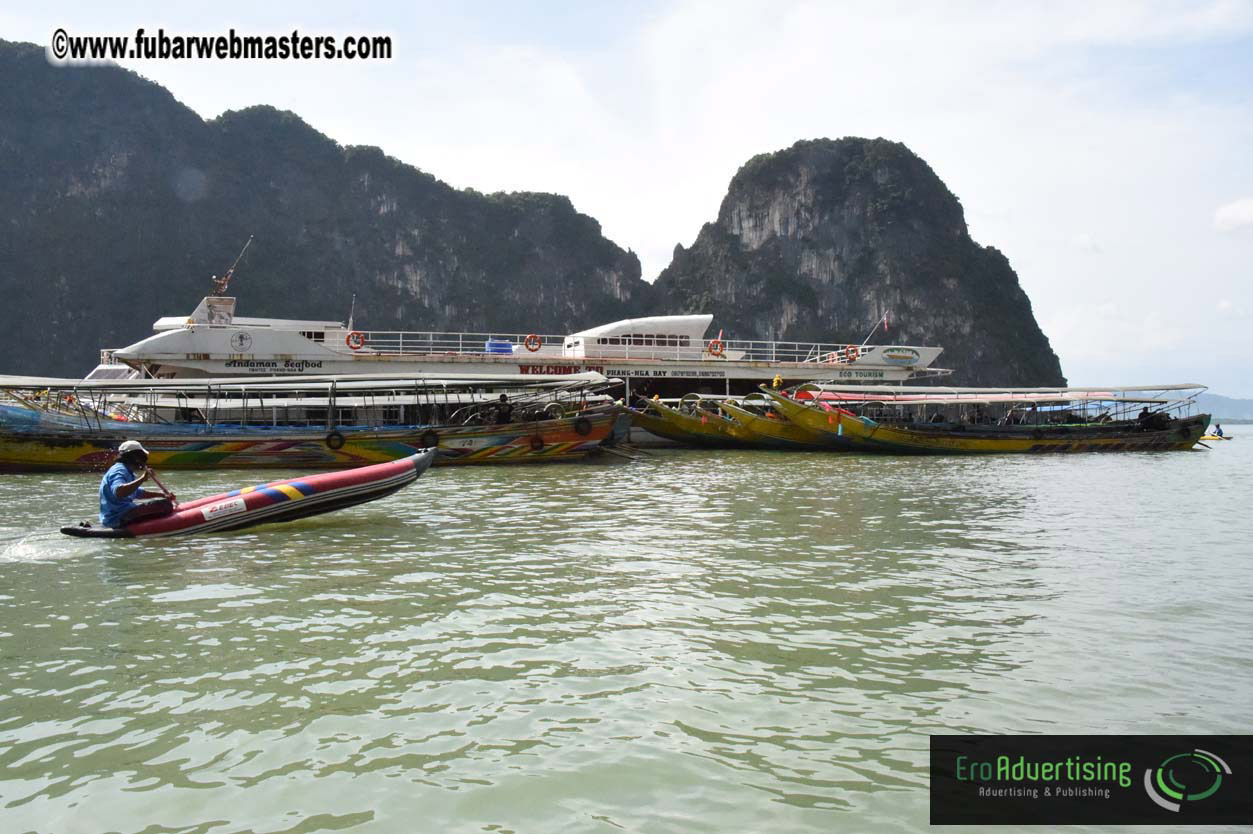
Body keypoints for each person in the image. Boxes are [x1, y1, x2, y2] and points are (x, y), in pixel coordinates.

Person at [99, 441, 175, 529]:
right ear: (136, 457)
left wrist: (162, 495)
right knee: (164, 505)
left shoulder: (127, 470)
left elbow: (138, 492)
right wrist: (142, 478)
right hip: (117, 517)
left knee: (164, 502)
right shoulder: (119, 470)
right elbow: (119, 492)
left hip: (120, 515)